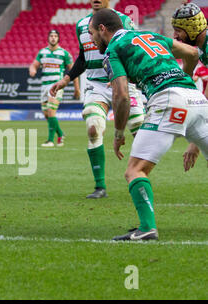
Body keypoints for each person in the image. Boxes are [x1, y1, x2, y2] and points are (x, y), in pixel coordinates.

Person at [89, 8, 208, 241]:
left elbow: (121, 95)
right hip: (199, 101)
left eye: (93, 33)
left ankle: (147, 228)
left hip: (169, 101)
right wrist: (185, 80)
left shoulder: (114, 49)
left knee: (135, 170)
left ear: (103, 29)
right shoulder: (149, 35)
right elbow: (193, 53)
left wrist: (119, 133)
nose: (92, 40)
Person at [49, 0, 145, 199]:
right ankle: (100, 186)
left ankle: (139, 178)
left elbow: (132, 52)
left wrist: (120, 77)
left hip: (123, 81)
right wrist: (66, 79)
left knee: (140, 131)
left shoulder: (124, 20)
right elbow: (83, 58)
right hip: (96, 85)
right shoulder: (82, 25)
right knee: (93, 127)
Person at [29, 29, 80, 147]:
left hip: (56, 86)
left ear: (58, 38)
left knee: (51, 112)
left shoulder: (64, 54)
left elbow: (73, 71)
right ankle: (60, 134)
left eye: (55, 36)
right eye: (51, 36)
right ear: (48, 38)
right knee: (46, 114)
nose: (53, 38)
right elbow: (34, 64)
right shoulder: (42, 52)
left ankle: (50, 140)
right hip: (44, 86)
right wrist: (32, 69)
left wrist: (76, 89)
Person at [172, 2, 208, 164]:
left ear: (192, 29)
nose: (175, 36)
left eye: (178, 30)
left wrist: (195, 142)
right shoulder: (199, 48)